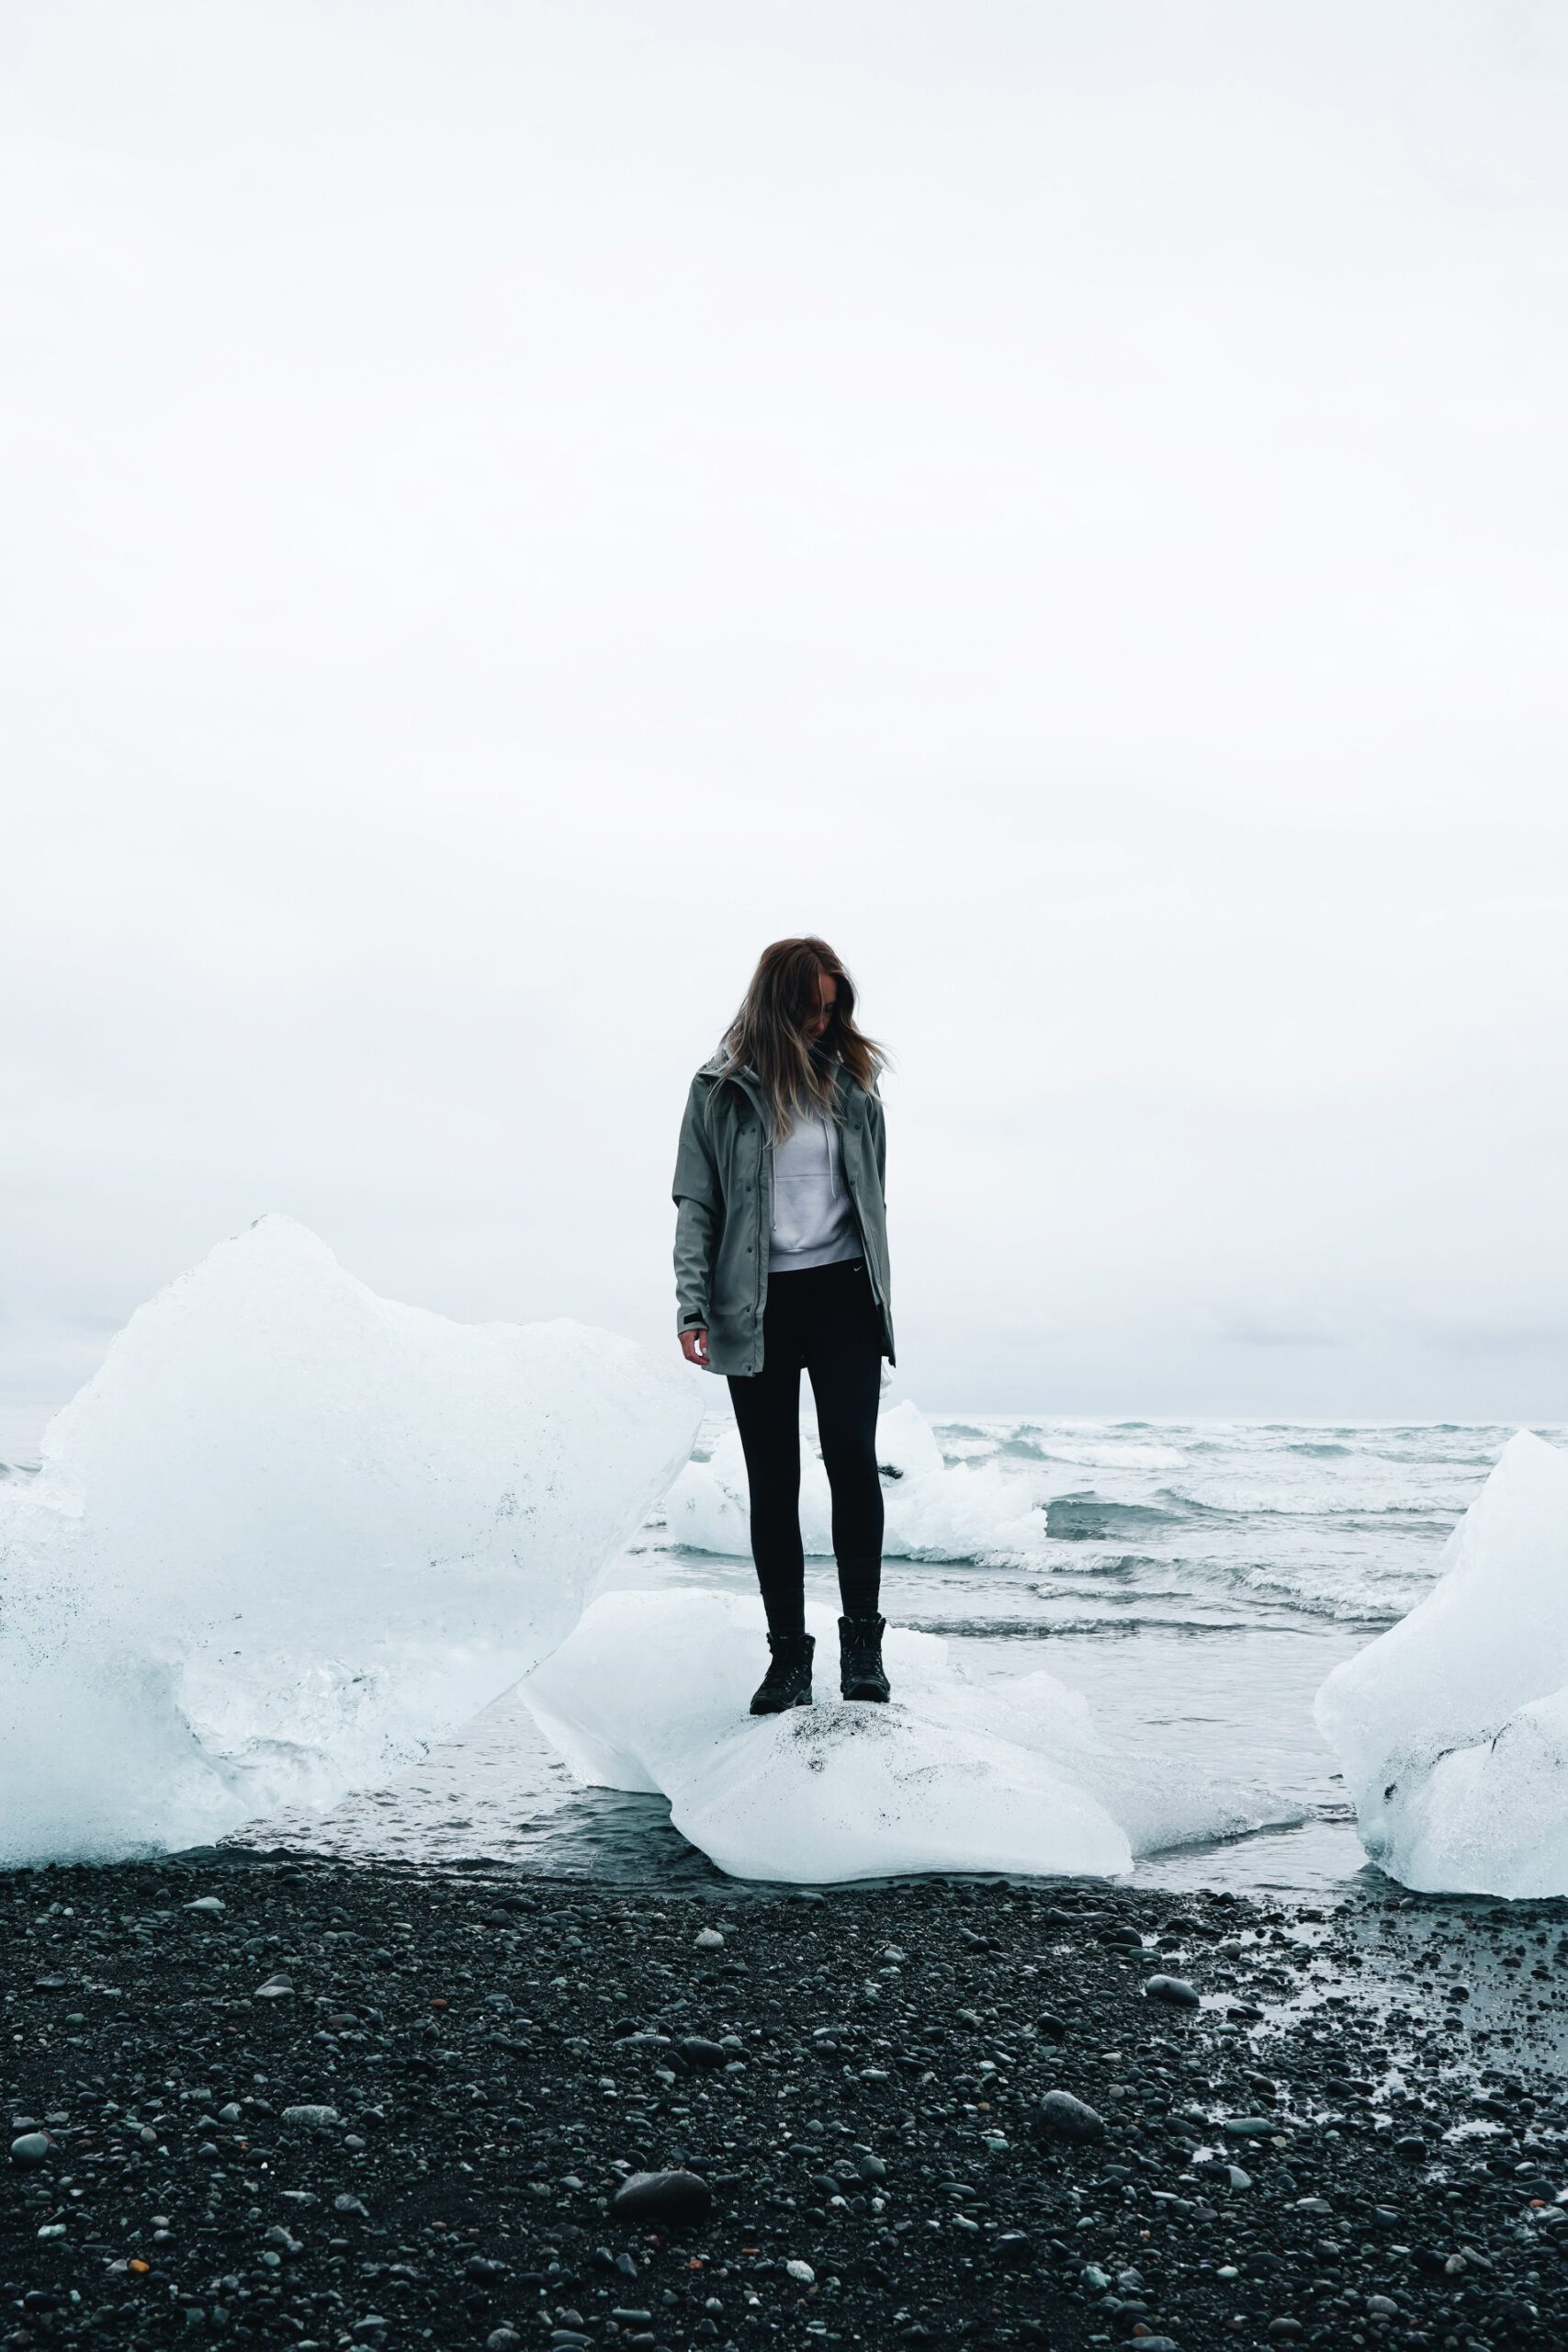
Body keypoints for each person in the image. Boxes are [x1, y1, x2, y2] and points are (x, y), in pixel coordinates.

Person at [671, 936, 897, 1716]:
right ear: (779, 1002)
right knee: (774, 1484)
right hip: (753, 1303)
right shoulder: (718, 1091)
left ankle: (862, 1651)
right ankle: (787, 1662)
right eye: (811, 1007)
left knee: (852, 1467)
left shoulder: (853, 1090)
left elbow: (870, 1203)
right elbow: (696, 1205)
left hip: (841, 1298)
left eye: (834, 1009)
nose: (823, 1022)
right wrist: (691, 1303)